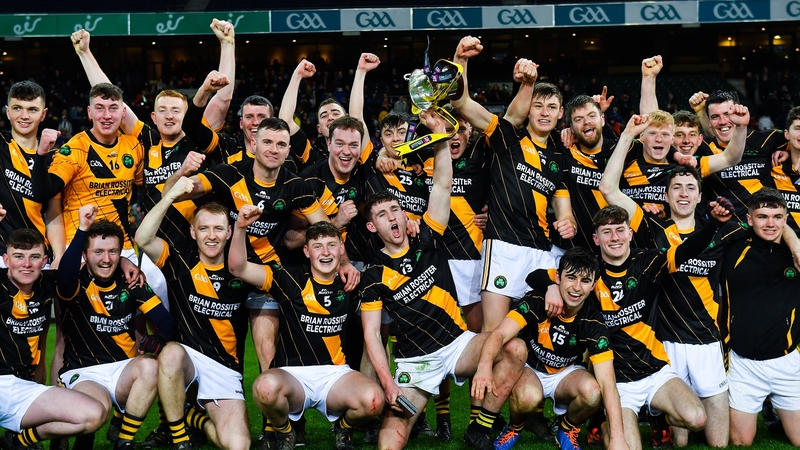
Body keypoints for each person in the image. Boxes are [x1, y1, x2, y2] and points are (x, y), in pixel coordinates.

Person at [360, 108, 526, 450]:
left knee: (514, 349)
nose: (391, 217)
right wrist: (388, 382)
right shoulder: (374, 276)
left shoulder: (427, 236)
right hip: (415, 362)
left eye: (395, 210)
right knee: (391, 440)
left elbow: (442, 184)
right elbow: (372, 335)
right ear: (371, 227)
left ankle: (481, 427)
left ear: (404, 213)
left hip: (458, 346)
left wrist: (437, 134)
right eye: (381, 215)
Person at [600, 110, 750, 447]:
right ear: (665, 196)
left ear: (700, 196)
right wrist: (627, 136)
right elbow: (608, 188)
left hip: (708, 341)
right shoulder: (650, 228)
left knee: (720, 442)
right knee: (678, 443)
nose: (683, 193)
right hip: (665, 343)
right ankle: (639, 423)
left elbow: (761, 220)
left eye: (690, 188)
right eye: (676, 188)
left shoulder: (721, 230)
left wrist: (740, 127)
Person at [69, 21, 235, 250]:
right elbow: (112, 99)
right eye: (163, 111)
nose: (169, 117)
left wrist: (227, 44)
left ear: (187, 116)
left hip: (198, 245)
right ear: (154, 118)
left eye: (176, 111)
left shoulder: (197, 139)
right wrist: (85, 53)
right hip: (156, 247)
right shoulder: (146, 140)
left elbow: (223, 98)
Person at [135, 177, 273, 450]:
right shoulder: (178, 260)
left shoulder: (242, 268)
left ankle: (193, 417)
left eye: (219, 229)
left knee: (238, 445)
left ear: (229, 232)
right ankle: (180, 439)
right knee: (171, 353)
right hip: (188, 360)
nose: (212, 236)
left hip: (225, 368)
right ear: (192, 232)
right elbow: (142, 237)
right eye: (205, 229)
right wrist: (170, 196)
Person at [450, 36, 575, 332]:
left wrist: (567, 222)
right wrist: (461, 60)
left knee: (537, 334)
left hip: (541, 253)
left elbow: (563, 208)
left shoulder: (559, 154)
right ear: (528, 110)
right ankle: (484, 380)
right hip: (503, 248)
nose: (544, 112)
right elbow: (461, 102)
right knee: (492, 333)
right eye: (538, 105)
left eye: (552, 107)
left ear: (560, 113)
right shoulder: (507, 137)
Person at [229, 212, 383, 450]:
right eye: (317, 246)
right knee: (264, 388)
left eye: (331, 245)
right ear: (306, 251)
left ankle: (344, 428)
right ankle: (285, 432)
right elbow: (238, 268)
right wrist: (239, 228)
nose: (325, 252)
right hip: (292, 375)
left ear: (341, 250)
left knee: (374, 401)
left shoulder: (352, 282)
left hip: (335, 375)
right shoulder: (289, 278)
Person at [478, 247, 627, 450]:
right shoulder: (538, 300)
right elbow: (499, 334)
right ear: (557, 277)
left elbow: (607, 382)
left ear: (593, 285)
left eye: (585, 281)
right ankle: (515, 426)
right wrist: (484, 367)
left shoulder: (594, 321)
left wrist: (618, 437)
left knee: (593, 393)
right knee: (527, 398)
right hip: (531, 369)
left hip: (566, 374)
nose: (576, 287)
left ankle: (566, 428)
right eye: (571, 278)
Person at [56, 205, 175, 450]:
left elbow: (165, 320)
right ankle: (72, 435)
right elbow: (64, 276)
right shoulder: (75, 283)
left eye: (113, 252)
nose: (106, 259)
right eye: (98, 252)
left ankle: (124, 442)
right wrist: (81, 230)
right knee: (93, 415)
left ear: (121, 253)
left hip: (122, 371)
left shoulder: (132, 282)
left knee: (151, 366)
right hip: (84, 372)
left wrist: (161, 337)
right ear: (85, 254)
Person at [0, 228, 105, 450]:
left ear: (45, 261)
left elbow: (73, 270)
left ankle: (17, 440)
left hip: (21, 390)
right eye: (18, 256)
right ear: (5, 260)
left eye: (35, 257)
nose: (26, 264)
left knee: (93, 415)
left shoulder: (47, 283)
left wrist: (124, 261)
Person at [719, 187, 800, 446]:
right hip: (743, 363)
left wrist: (795, 244)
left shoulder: (796, 255)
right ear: (749, 218)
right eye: (762, 216)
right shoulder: (733, 248)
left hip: (785, 362)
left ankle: (780, 418)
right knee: (741, 441)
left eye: (777, 217)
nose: (770, 223)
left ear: (786, 219)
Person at [689, 89, 787, 221]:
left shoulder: (767, 139)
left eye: (727, 114)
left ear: (739, 111)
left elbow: (795, 138)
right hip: (727, 233)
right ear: (709, 122)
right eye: (715, 117)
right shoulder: (702, 148)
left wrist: (791, 152)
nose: (723, 121)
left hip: (767, 226)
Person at [0, 81, 64, 267]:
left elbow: (54, 213)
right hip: (2, 255)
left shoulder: (55, 157)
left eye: (32, 109)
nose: (24, 116)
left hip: (39, 257)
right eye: (17, 108)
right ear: (7, 112)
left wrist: (59, 256)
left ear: (43, 114)